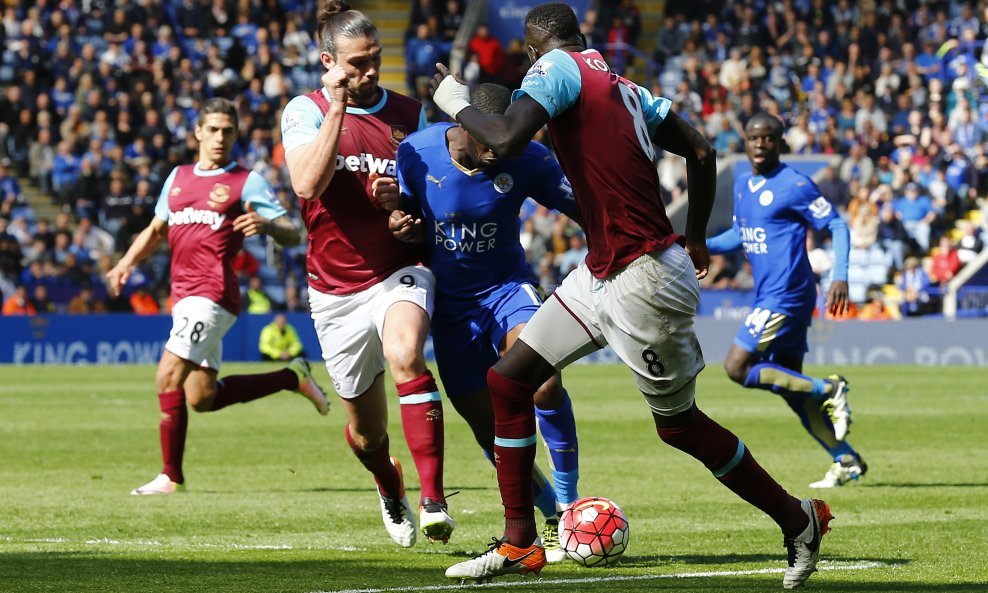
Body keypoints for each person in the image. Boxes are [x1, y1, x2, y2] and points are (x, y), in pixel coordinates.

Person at [430, 4, 831, 588]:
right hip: (603, 271)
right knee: (509, 380)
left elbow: (508, 138)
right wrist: (696, 237)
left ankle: (799, 520)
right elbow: (700, 150)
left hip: (642, 279)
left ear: (536, 50)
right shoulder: (626, 87)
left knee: (680, 427)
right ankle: (520, 543)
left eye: (530, 55)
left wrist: (454, 101)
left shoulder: (556, 68)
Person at [389, 83, 583, 561]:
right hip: (451, 309)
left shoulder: (527, 157)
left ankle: (569, 504)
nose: (500, 150)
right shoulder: (416, 151)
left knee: (544, 383)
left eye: (506, 139)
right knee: (488, 427)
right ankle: (548, 513)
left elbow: (582, 207)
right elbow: (406, 215)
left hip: (508, 289)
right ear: (465, 126)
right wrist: (399, 223)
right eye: (490, 140)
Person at [280, 0, 448, 548]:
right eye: (357, 62)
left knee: (405, 354)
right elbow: (306, 184)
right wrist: (336, 106)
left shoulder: (410, 114)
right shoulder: (304, 111)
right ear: (328, 61)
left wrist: (406, 210)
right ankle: (388, 482)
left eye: (376, 58)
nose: (371, 70)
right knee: (368, 434)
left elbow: (434, 203)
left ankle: (433, 499)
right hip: (334, 289)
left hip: (398, 269)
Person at [106, 97, 330, 496]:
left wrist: (266, 225)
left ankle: (170, 477)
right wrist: (125, 262)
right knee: (201, 398)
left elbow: (293, 232)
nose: (220, 138)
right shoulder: (178, 177)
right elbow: (156, 230)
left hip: (212, 295)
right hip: (183, 297)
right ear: (198, 132)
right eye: (213, 130)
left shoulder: (246, 181)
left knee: (167, 376)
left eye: (228, 131)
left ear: (235, 134)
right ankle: (291, 377)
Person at [705, 113, 868, 490]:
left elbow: (837, 224)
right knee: (791, 387)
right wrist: (701, 245)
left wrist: (840, 275)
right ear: (745, 141)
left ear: (780, 143)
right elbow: (740, 234)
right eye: (754, 138)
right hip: (771, 293)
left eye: (768, 138)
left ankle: (829, 389)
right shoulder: (743, 185)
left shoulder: (794, 184)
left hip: (787, 293)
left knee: (736, 366)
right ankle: (845, 459)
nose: (760, 145)